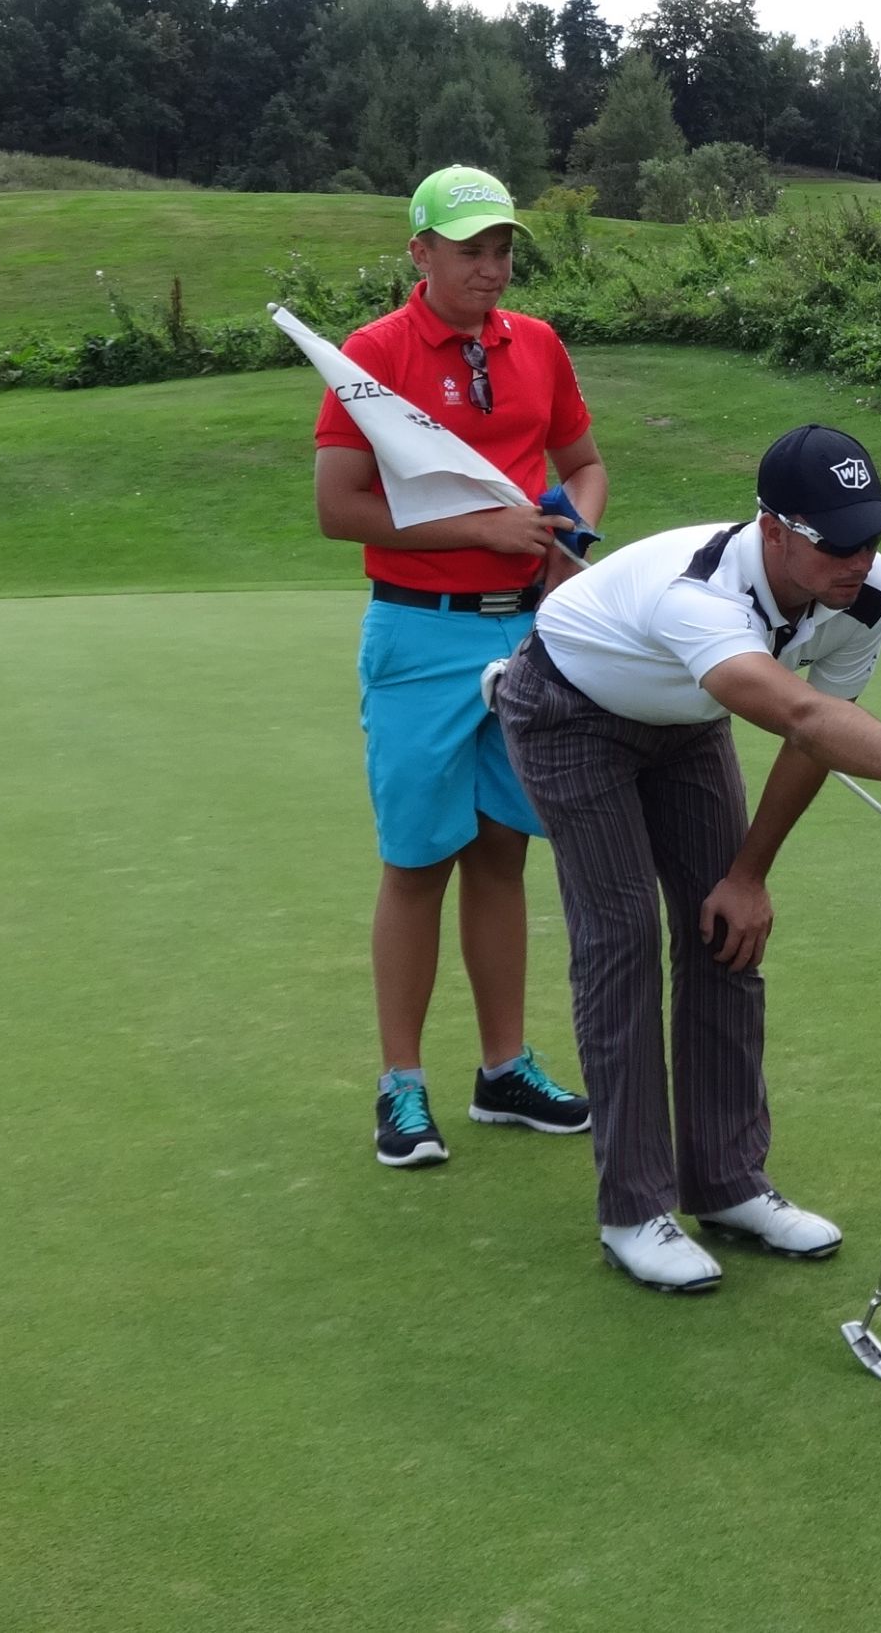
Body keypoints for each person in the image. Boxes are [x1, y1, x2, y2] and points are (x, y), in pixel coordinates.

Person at [494, 425, 881, 1292]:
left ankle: (729, 1180)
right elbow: (803, 716)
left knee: (727, 935)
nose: (860, 559)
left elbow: (815, 741)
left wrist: (749, 875)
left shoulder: (867, 593)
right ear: (772, 530)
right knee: (622, 936)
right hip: (568, 709)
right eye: (837, 541)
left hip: (686, 720)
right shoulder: (697, 594)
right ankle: (633, 1207)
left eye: (871, 535)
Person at [314, 165, 606, 1169]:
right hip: (418, 632)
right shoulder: (374, 353)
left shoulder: (539, 345)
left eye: (502, 250)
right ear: (421, 252)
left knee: (501, 852)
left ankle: (503, 1069)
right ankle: (401, 1084)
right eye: (470, 250)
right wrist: (484, 529)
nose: (491, 268)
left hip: (524, 632)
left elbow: (583, 465)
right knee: (415, 860)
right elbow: (339, 506)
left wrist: (572, 537)